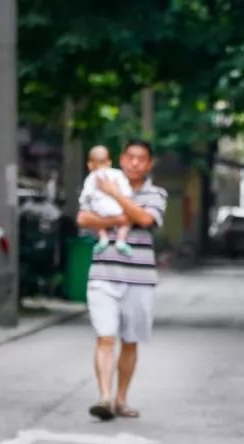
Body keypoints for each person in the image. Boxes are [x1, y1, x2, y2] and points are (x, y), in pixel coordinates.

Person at [76, 139, 168, 422]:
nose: (135, 163)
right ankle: (104, 397)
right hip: (103, 273)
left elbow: (145, 218)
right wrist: (122, 217)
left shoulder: (156, 193)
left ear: (149, 164)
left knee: (130, 341)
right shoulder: (99, 181)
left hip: (140, 278)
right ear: (121, 158)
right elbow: (83, 218)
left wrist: (115, 197)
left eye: (142, 159)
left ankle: (121, 399)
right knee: (105, 337)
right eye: (130, 157)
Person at [80, 145, 135, 257]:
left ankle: (103, 237)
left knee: (96, 221)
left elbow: (86, 195)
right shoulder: (118, 174)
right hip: (117, 208)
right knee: (127, 222)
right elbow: (126, 191)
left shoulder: (92, 177)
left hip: (100, 211)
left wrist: (84, 206)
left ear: (90, 165)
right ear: (109, 162)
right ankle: (120, 240)